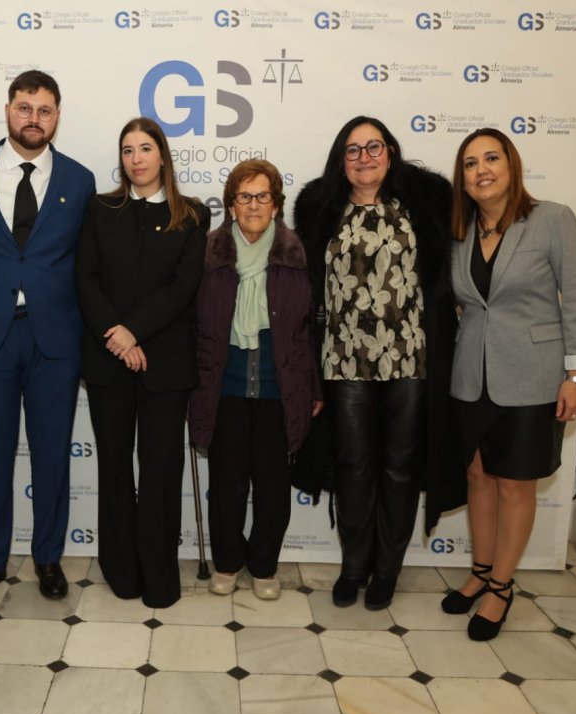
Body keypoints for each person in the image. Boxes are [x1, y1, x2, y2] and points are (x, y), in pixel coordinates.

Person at [294, 116, 462, 611]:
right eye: (353, 150)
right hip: (344, 357)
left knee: (401, 467)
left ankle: (387, 570)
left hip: (410, 355)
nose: (364, 157)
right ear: (340, 160)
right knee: (353, 465)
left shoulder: (423, 204)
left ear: (390, 152)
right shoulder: (322, 209)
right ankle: (354, 566)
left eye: (373, 147)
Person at [0, 70, 96, 606]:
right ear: (8, 109)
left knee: (53, 455)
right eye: (25, 108)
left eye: (45, 110)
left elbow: (89, 263)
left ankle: (48, 558)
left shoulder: (79, 179)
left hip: (55, 340)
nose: (34, 119)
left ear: (57, 116)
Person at [443, 128, 576, 640]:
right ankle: (480, 571)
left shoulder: (550, 219)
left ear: (512, 166)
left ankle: (501, 587)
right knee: (478, 478)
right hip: (471, 376)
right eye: (470, 163)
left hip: (533, 377)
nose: (481, 170)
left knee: (514, 483)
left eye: (492, 158)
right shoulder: (460, 233)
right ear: (462, 178)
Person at [75, 117, 209, 608]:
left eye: (145, 148)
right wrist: (118, 335)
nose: (136, 158)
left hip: (165, 365)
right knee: (114, 468)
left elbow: (183, 286)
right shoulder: (100, 209)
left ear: (162, 156)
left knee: (161, 471)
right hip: (108, 359)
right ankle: (121, 570)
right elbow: (85, 278)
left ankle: (159, 576)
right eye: (128, 150)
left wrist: (134, 331)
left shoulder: (191, 215)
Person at [189, 160, 322, 600]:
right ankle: (228, 562)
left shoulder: (297, 255)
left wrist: (314, 387)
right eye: (243, 196)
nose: (253, 205)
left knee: (272, 486)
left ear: (276, 205)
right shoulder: (207, 254)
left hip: (279, 389)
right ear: (230, 206)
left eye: (262, 196)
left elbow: (311, 329)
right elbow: (191, 324)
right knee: (226, 484)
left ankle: (264, 565)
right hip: (221, 387)